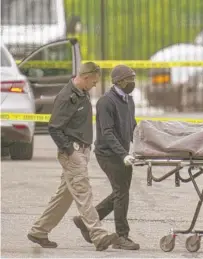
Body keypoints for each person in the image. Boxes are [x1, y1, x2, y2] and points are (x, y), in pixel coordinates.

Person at [27, 62, 120, 251]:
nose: (95, 85)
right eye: (93, 82)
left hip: (81, 151)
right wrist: (70, 151)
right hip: (73, 153)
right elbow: (54, 128)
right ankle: (98, 235)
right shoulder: (66, 97)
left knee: (64, 196)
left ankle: (39, 231)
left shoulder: (81, 93)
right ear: (85, 77)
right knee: (84, 193)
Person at [72, 64, 139, 250]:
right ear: (119, 81)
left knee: (121, 192)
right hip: (108, 154)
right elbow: (107, 133)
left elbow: (132, 126)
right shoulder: (105, 102)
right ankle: (122, 237)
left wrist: (144, 145)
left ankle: (86, 221)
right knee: (121, 193)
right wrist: (123, 154)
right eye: (129, 79)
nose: (132, 83)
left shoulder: (128, 100)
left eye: (134, 79)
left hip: (121, 153)